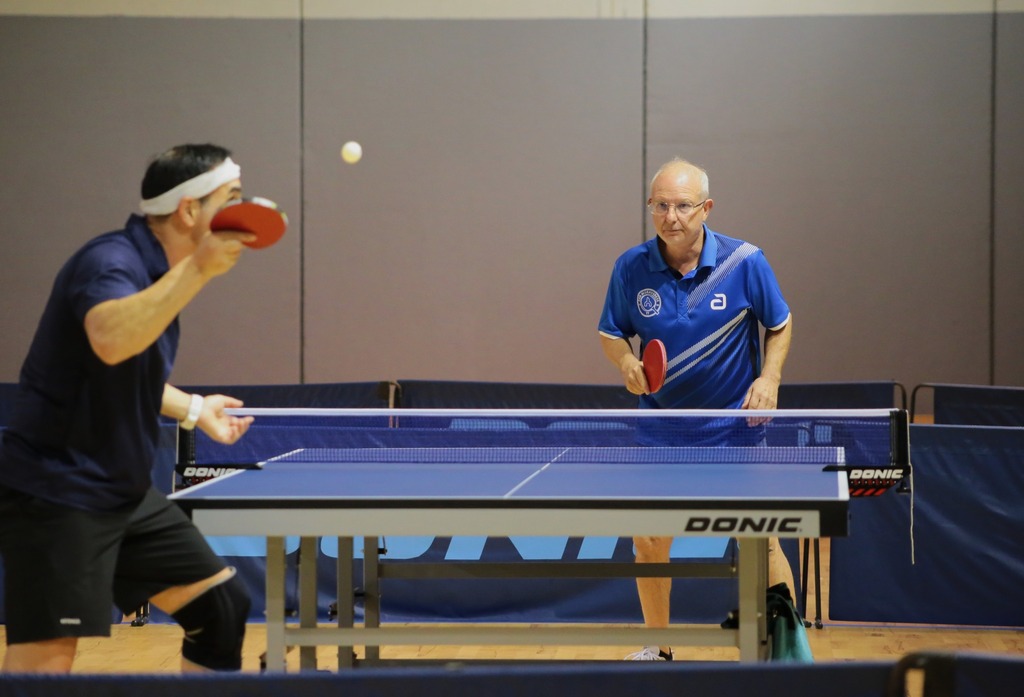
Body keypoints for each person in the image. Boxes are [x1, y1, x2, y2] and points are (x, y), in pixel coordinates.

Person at [0, 144, 260, 673]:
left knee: (220, 609)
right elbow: (112, 340)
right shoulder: (109, 262)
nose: (240, 210)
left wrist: (193, 409)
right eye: (230, 198)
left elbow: (123, 368)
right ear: (189, 210)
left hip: (120, 491)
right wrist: (199, 271)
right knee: (44, 666)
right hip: (58, 491)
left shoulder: (155, 270)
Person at [598, 158, 795, 661]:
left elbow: (779, 324)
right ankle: (658, 648)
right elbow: (611, 332)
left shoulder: (744, 261)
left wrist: (770, 378)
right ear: (651, 207)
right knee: (648, 540)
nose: (672, 217)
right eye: (661, 205)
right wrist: (625, 361)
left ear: (706, 208)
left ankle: (786, 656)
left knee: (762, 541)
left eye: (683, 206)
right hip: (661, 429)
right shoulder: (631, 267)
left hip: (735, 428)